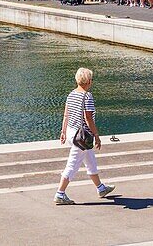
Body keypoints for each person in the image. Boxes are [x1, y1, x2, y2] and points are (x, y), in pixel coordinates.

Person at [55, 67, 115, 205]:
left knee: (90, 160)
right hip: (82, 137)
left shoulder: (71, 95)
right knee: (73, 164)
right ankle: (60, 193)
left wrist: (63, 131)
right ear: (88, 81)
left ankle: (101, 188)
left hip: (72, 132)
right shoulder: (87, 96)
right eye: (92, 79)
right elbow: (88, 118)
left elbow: (66, 115)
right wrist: (97, 135)